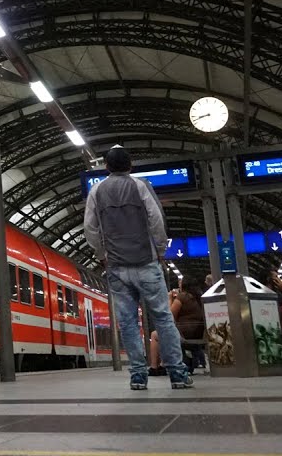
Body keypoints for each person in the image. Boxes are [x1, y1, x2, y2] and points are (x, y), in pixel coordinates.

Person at [83, 145, 193, 390]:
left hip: (116, 267)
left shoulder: (96, 191)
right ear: (130, 165)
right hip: (146, 263)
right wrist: (160, 249)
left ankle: (138, 376)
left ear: (107, 166)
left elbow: (90, 228)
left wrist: (102, 254)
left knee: (128, 322)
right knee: (163, 318)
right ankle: (177, 374)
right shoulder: (140, 186)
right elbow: (156, 219)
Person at [148, 274, 206, 376]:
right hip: (199, 332)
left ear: (185, 284)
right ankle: (163, 364)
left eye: (180, 283)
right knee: (164, 334)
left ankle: (154, 367)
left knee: (155, 335)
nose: (179, 285)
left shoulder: (182, 297)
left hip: (184, 333)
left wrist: (170, 299)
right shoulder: (200, 297)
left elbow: (170, 316)